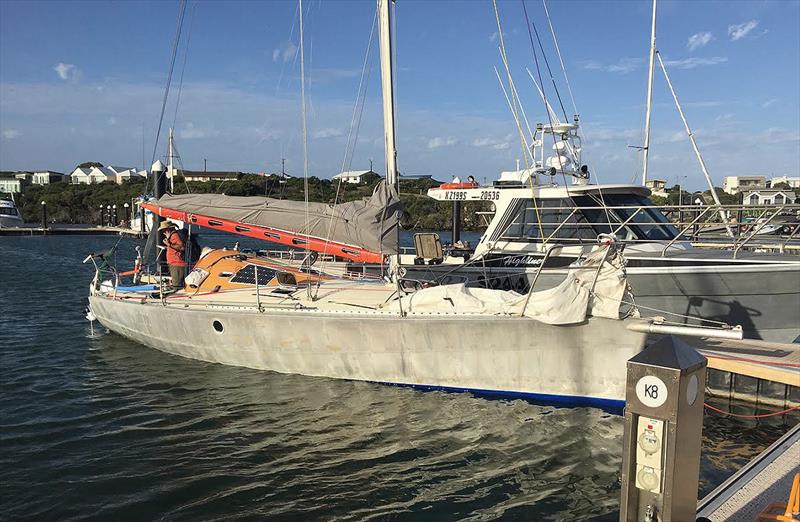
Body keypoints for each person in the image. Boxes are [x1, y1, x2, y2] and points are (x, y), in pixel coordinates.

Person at [159, 220, 186, 290]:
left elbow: (181, 247)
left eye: (164, 230)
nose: (163, 232)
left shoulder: (175, 235)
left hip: (176, 263)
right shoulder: (171, 236)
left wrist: (168, 244)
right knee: (176, 283)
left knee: (177, 286)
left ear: (168, 229)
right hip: (174, 263)